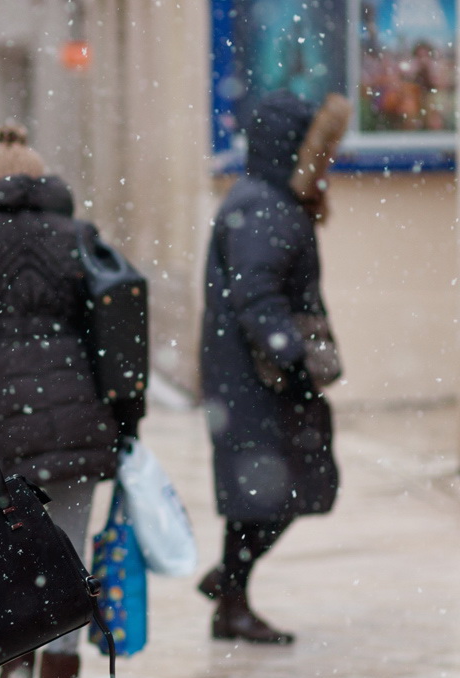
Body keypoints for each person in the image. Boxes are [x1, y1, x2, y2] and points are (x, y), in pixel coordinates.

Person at [0, 125, 144, 678]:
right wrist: (123, 417)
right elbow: (112, 333)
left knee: (9, 551)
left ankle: (14, 671)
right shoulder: (78, 236)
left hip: (3, 423)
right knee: (69, 554)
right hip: (76, 414)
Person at [196, 90, 346, 645]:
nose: (328, 162)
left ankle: (230, 591)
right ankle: (231, 595)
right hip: (260, 378)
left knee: (269, 490)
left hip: (250, 376)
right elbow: (257, 296)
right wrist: (294, 358)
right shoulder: (264, 206)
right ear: (294, 148)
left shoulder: (264, 199)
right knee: (280, 487)